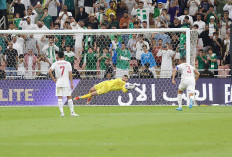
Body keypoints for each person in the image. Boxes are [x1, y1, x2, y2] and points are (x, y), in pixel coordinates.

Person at [48, 51, 78, 117]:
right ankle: (72, 112)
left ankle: (62, 113)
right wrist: (72, 83)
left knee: (60, 97)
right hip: (66, 82)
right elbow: (70, 74)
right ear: (64, 56)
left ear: (57, 56)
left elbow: (49, 71)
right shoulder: (68, 63)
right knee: (69, 97)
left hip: (59, 81)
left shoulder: (55, 63)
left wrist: (53, 79)